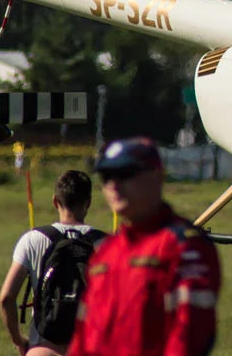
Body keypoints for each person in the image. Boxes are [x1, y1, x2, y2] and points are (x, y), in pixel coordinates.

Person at [66, 137, 222, 356]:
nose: (114, 185)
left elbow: (191, 332)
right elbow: (83, 335)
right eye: (107, 176)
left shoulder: (184, 245)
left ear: (157, 177)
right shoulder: (106, 251)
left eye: (125, 174)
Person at [0, 170, 105, 356]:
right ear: (88, 202)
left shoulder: (32, 239)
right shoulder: (108, 244)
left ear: (55, 201)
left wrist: (18, 340)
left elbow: (7, 297)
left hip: (44, 345)